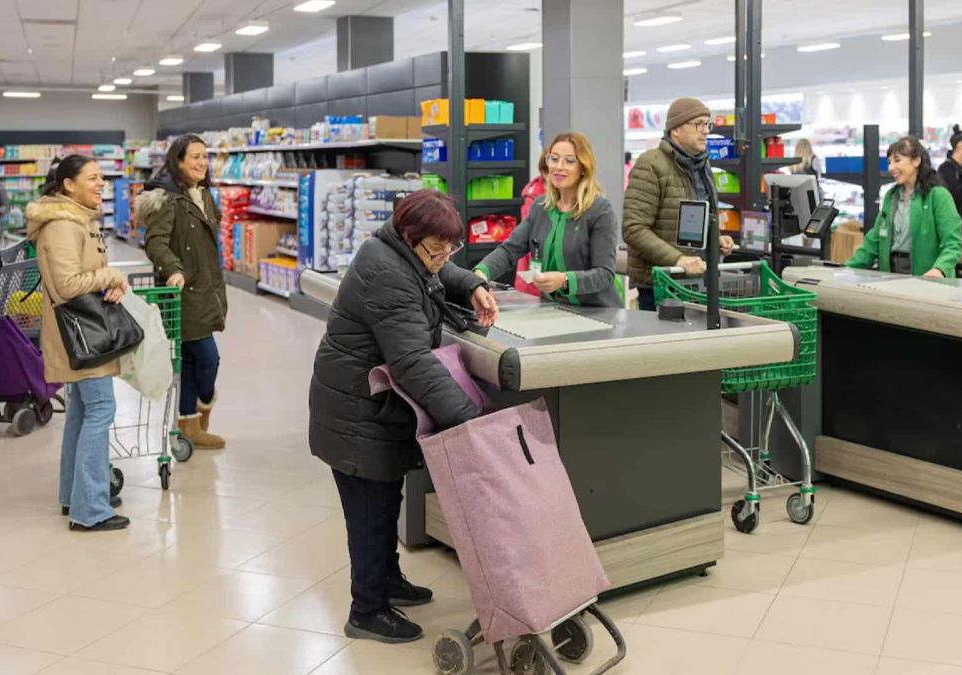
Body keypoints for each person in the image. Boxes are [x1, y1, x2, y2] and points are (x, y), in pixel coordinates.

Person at [308, 189, 498, 644]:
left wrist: (472, 284)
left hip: (371, 407)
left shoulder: (397, 249)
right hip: (356, 413)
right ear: (410, 238)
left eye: (451, 247)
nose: (444, 257)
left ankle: (388, 580)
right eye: (436, 249)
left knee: (385, 498)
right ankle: (367, 610)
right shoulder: (388, 274)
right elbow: (412, 362)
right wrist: (470, 421)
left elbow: (439, 271)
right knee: (370, 513)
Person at [26, 155, 129, 532]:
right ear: (68, 184)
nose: (101, 183)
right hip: (82, 335)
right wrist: (110, 276)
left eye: (102, 177)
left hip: (80, 332)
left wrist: (108, 282)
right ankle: (91, 509)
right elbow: (68, 284)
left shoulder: (76, 219)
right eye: (93, 178)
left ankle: (76, 495)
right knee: (100, 409)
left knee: (82, 412)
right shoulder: (62, 225)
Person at [138, 134, 227, 450]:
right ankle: (203, 406)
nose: (202, 163)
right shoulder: (169, 199)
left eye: (205, 156)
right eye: (195, 157)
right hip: (183, 293)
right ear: (178, 161)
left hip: (207, 289)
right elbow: (155, 242)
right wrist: (173, 269)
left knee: (190, 360)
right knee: (208, 358)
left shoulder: (204, 195)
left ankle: (188, 424)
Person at [474, 131, 621, 308]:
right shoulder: (540, 208)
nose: (559, 166)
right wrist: (480, 274)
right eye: (554, 159)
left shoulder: (600, 211)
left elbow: (604, 274)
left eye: (569, 161)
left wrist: (565, 280)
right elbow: (509, 250)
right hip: (554, 309)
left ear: (583, 168)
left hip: (598, 313)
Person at [623, 96, 734, 311]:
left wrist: (715, 239)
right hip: (661, 286)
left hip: (697, 283)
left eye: (707, 124)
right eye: (698, 124)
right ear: (676, 130)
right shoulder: (651, 165)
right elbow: (633, 229)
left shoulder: (702, 165)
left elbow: (691, 218)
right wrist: (678, 259)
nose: (705, 131)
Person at [846, 136, 962, 278]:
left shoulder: (938, 196)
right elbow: (874, 240)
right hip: (890, 273)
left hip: (927, 277)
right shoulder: (891, 196)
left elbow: (952, 243)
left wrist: (940, 268)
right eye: (889, 162)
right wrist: (847, 268)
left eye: (897, 160)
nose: (891, 168)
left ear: (916, 161)